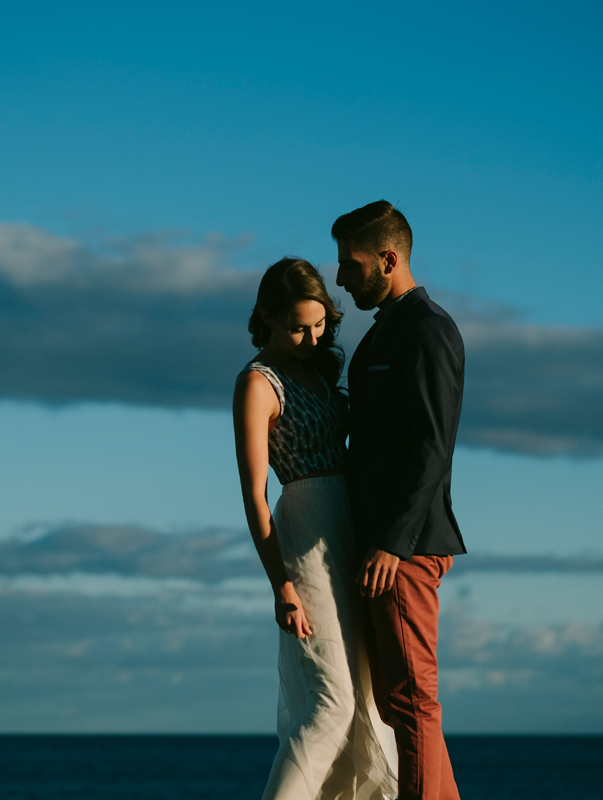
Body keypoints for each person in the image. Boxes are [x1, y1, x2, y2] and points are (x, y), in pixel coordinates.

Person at [233, 257, 397, 800]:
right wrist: (280, 584)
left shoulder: (325, 368)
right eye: (297, 326)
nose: (311, 337)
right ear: (267, 317)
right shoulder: (257, 383)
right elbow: (254, 494)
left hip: (350, 525)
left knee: (369, 700)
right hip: (303, 527)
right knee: (332, 702)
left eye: (320, 323)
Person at [333, 201, 466, 800]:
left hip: (404, 548)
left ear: (389, 260)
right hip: (377, 545)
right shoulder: (382, 331)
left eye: (351, 265)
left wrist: (393, 542)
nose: (340, 277)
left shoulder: (427, 328)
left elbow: (433, 448)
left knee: (413, 702)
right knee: (396, 703)